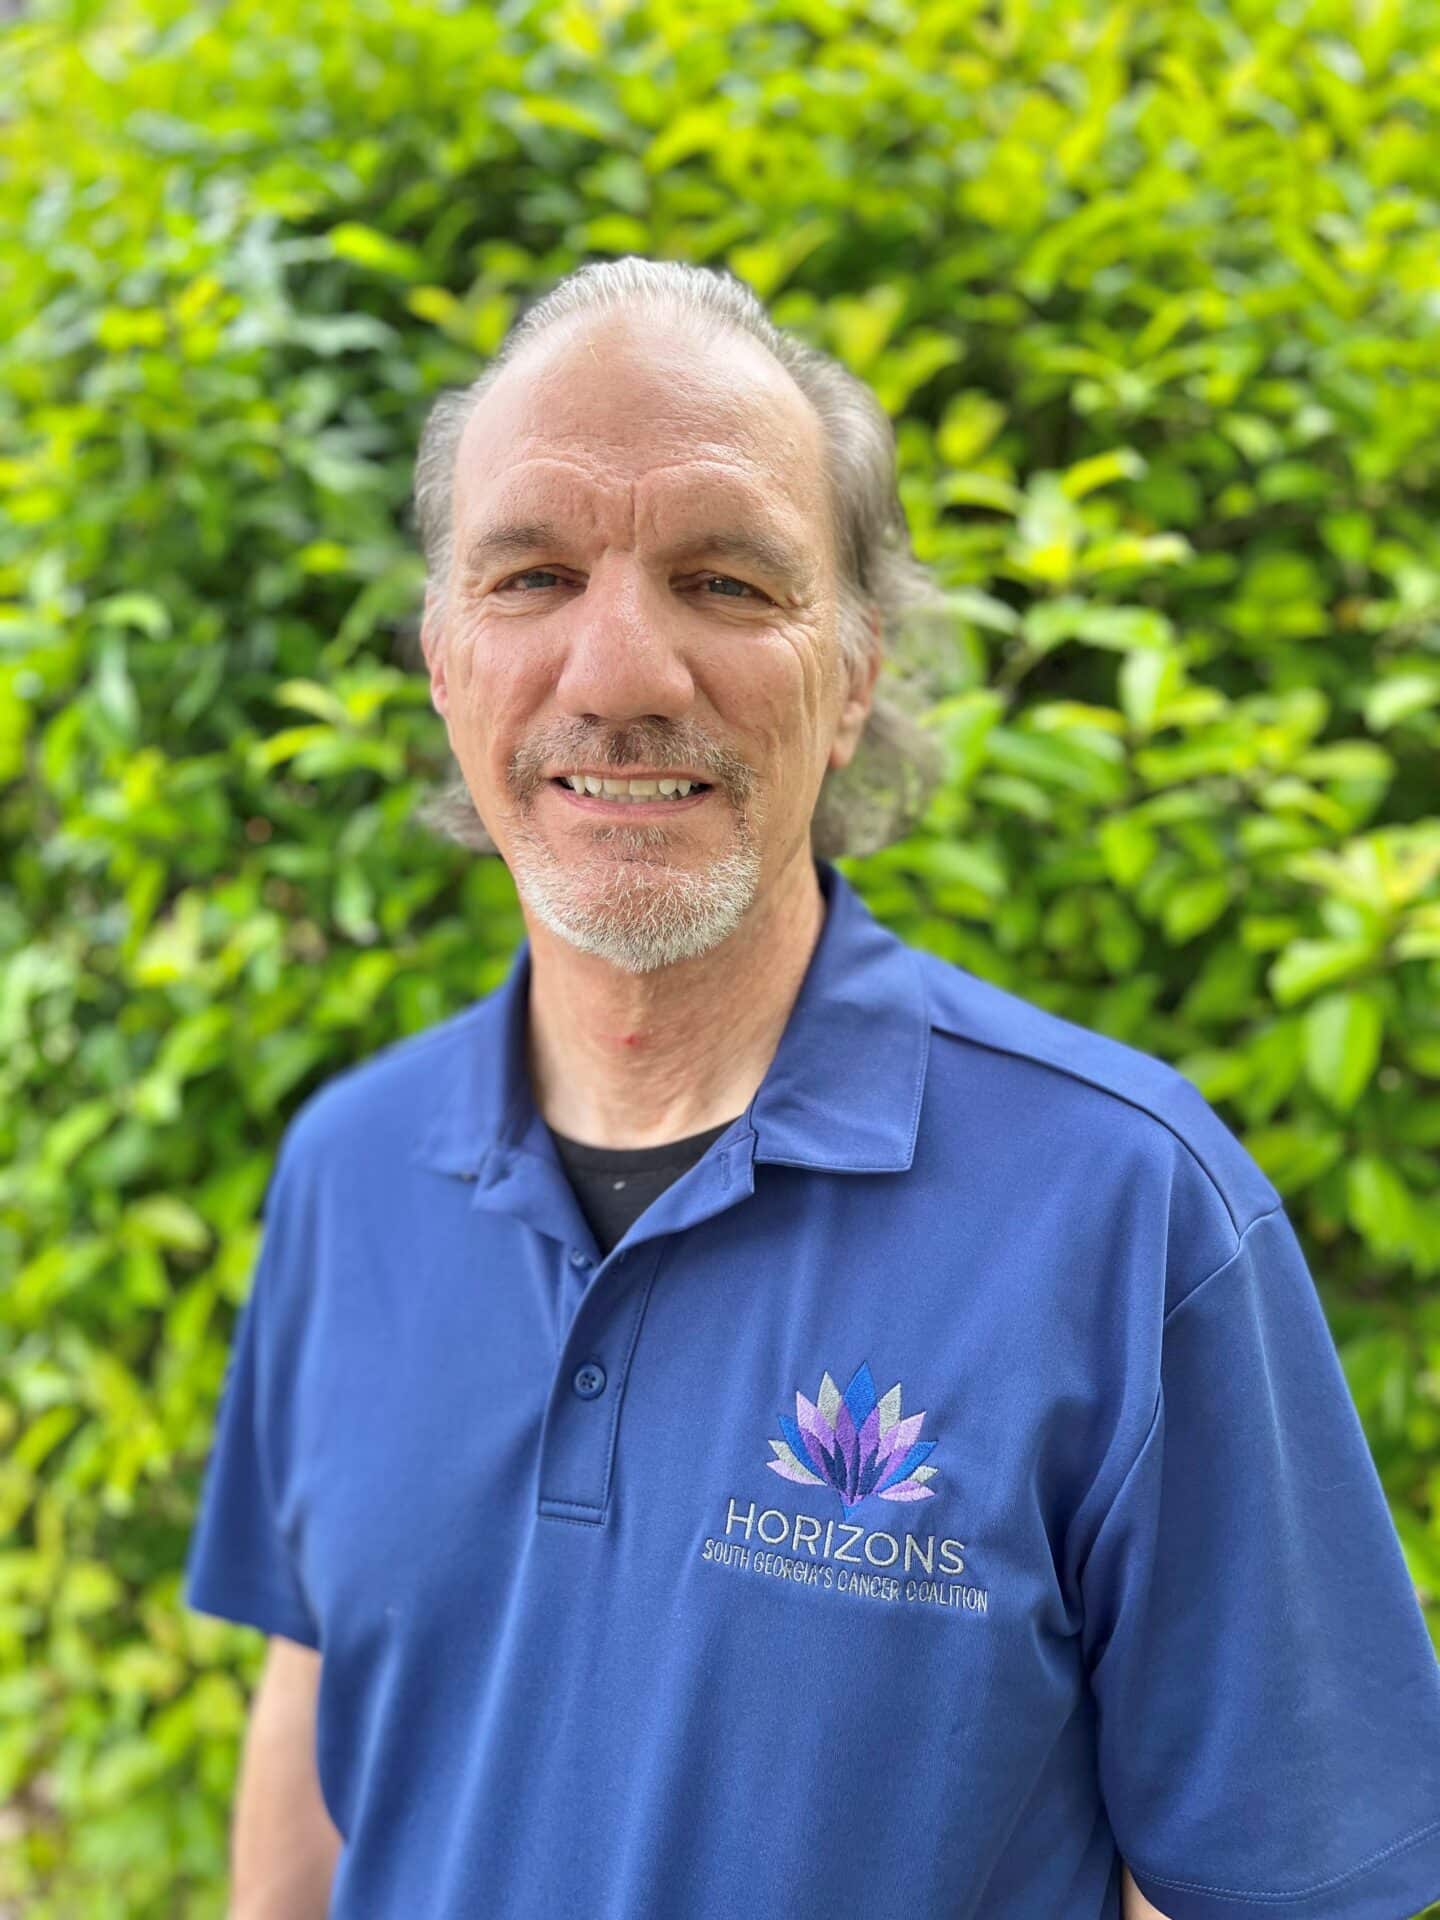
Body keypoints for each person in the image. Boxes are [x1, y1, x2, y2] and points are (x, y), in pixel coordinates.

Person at [184, 257, 1440, 1920]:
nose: (620, 675)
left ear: (851, 680)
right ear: (441, 658)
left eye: (723, 582)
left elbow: (1271, 1888)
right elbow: (323, 1703)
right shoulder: (348, 1172)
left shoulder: (1130, 1218)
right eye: (534, 574)